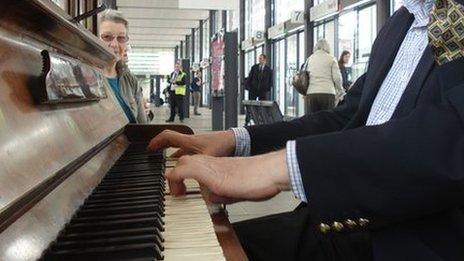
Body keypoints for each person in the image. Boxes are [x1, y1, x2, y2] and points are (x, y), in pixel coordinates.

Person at [147, 0, 464, 260]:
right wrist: (237, 140)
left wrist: (277, 168)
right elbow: (346, 119)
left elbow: (451, 141)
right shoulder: (401, 22)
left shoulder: (451, 18)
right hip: (342, 220)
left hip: (421, 240)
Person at [99, 9, 147, 123]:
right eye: (107, 37)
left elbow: (142, 125)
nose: (115, 44)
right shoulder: (83, 77)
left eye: (121, 38)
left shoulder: (130, 80)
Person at [305, 39, 345, 113]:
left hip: (311, 93)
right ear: (327, 47)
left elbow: (306, 75)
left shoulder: (309, 59)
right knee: (327, 121)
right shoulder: (331, 59)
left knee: (311, 121)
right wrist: (340, 90)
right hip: (327, 93)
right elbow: (337, 77)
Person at [245, 54, 273, 125]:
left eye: (261, 59)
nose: (260, 60)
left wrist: (268, 89)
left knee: (262, 106)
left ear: (265, 60)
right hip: (253, 90)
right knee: (250, 106)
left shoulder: (268, 70)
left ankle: (262, 121)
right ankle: (247, 120)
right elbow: (250, 77)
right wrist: (248, 87)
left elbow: (270, 80)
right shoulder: (254, 67)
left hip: (262, 91)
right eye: (259, 59)